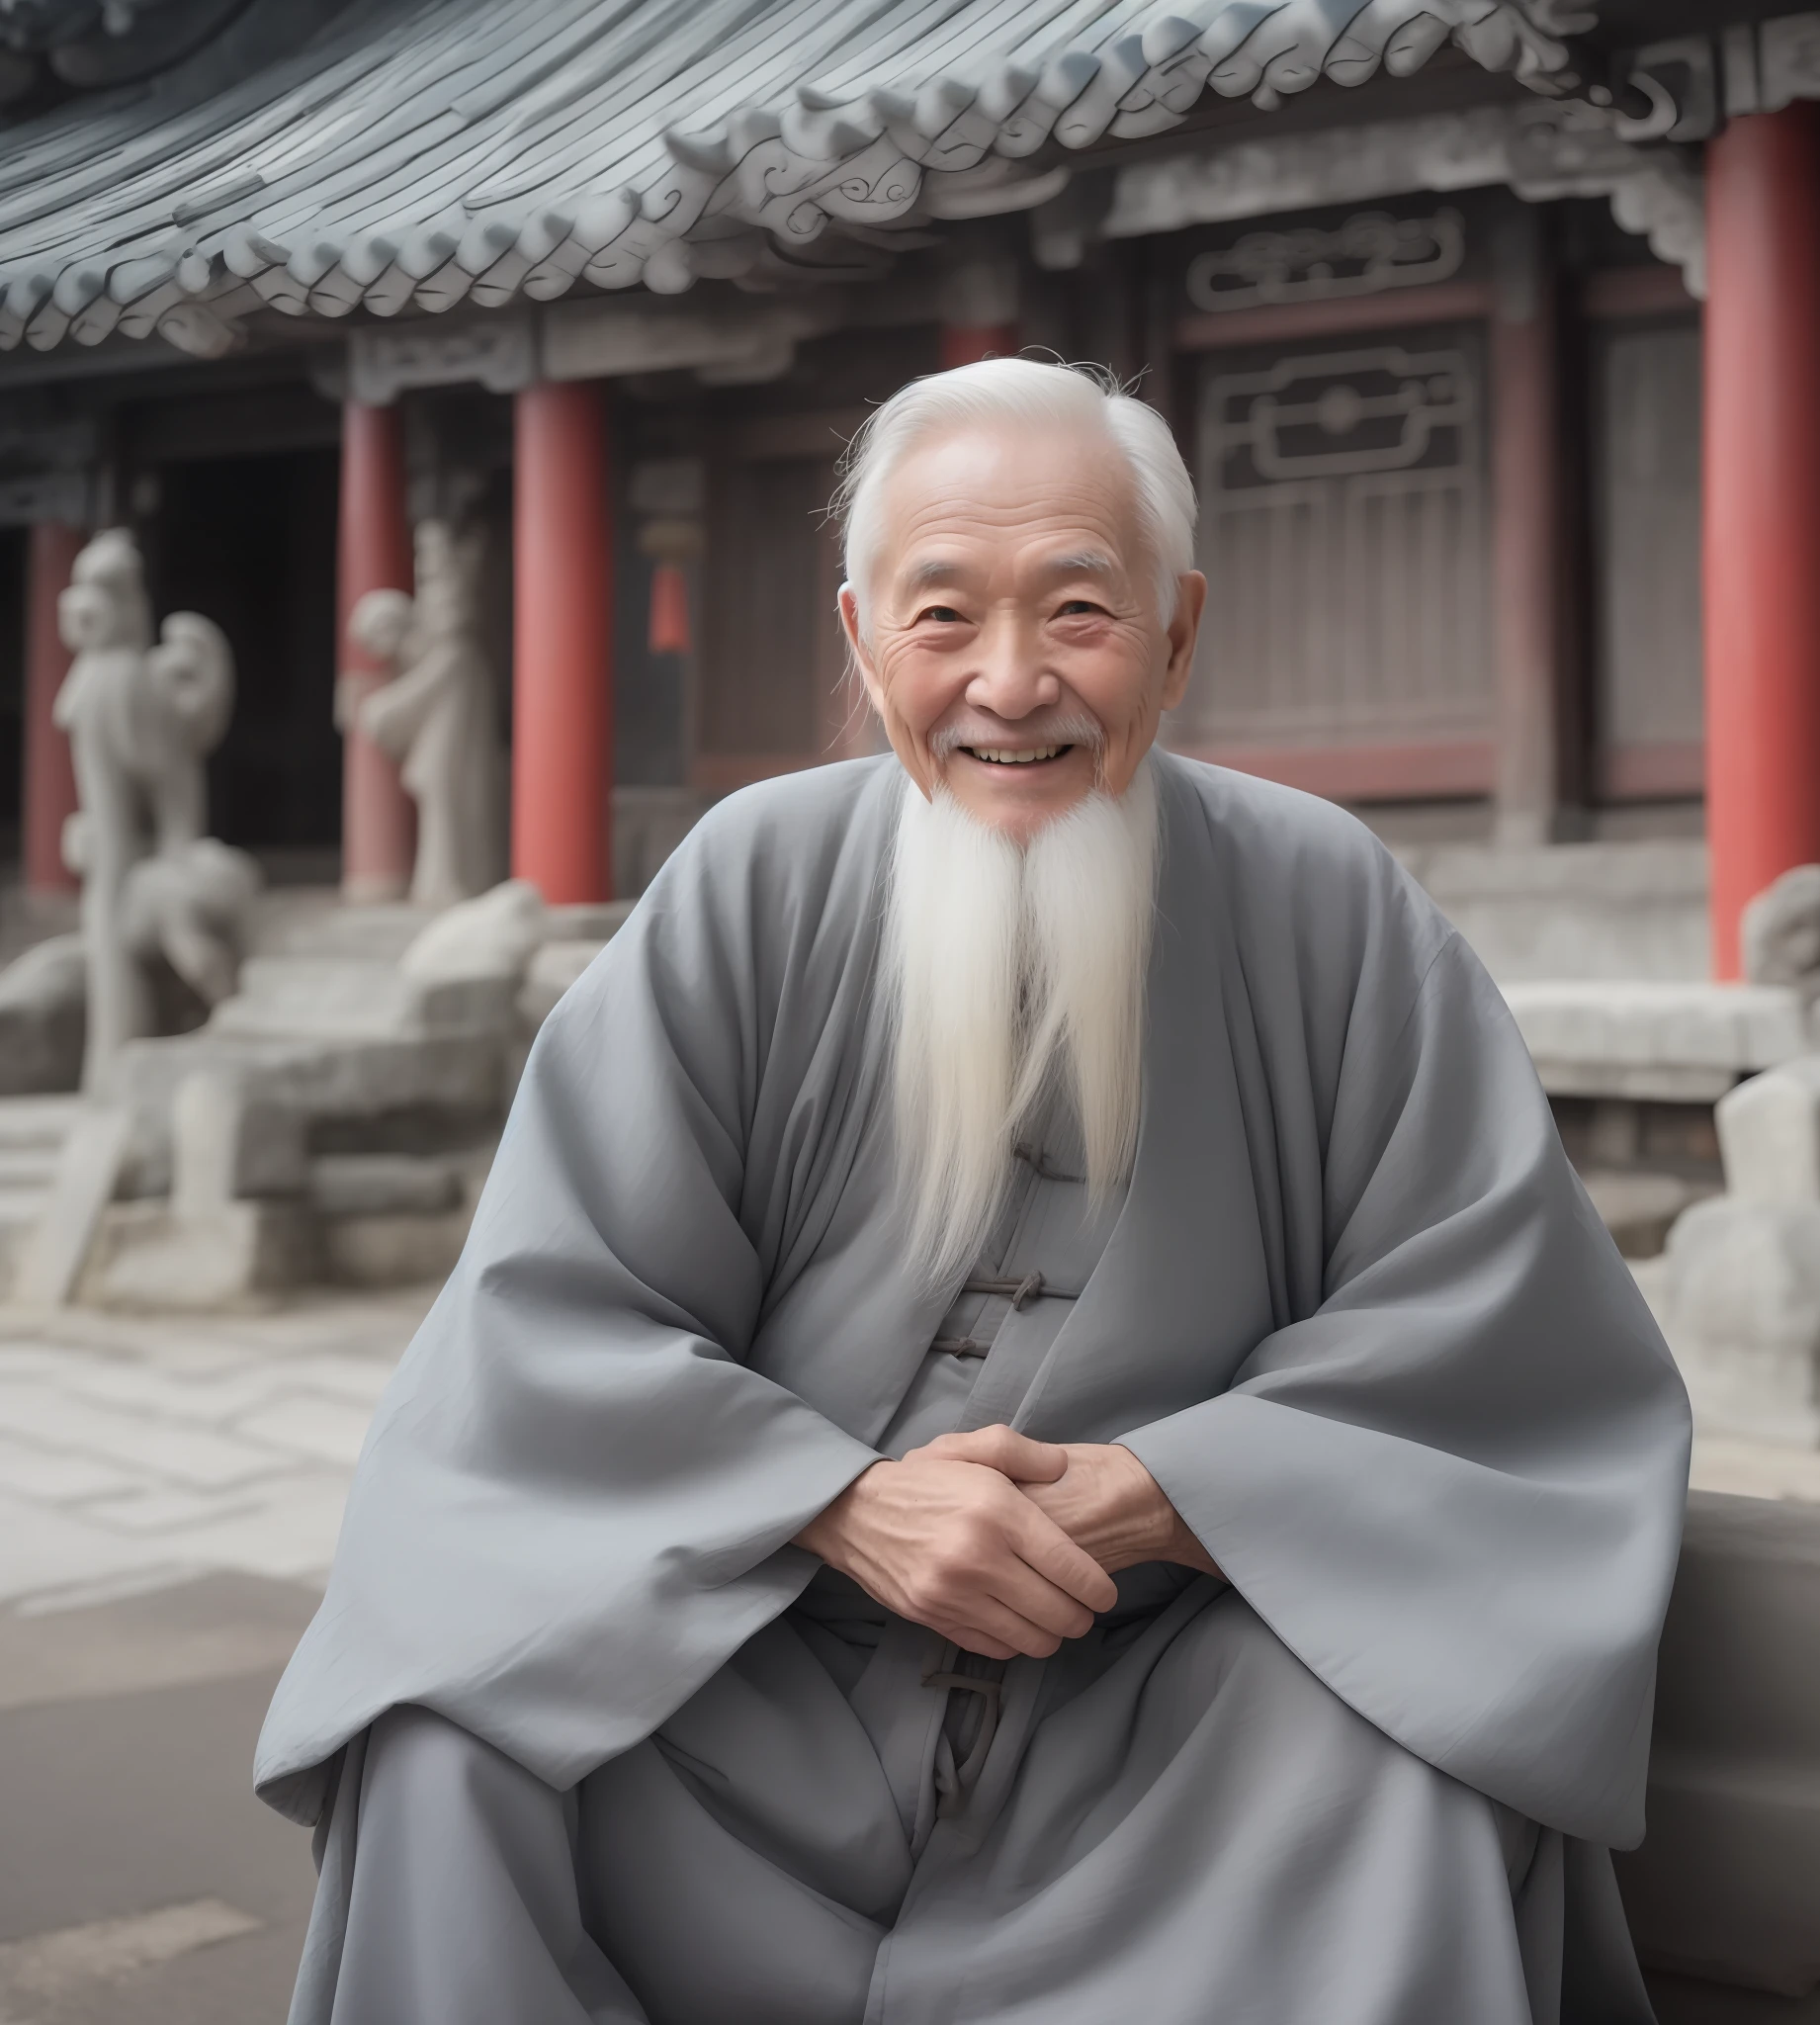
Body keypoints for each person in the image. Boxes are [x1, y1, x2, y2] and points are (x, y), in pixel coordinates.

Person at [258, 358, 1690, 2025]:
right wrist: (836, 1499)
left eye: (1078, 610)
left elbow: (1504, 1347)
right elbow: (543, 1324)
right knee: (454, 1727)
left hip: (1167, 1710)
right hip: (765, 1660)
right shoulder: (747, 884)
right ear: (864, 641)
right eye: (945, 621)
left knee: (1408, 1750)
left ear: (1177, 632)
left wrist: (1175, 1491)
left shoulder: (1332, 907)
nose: (1010, 685)